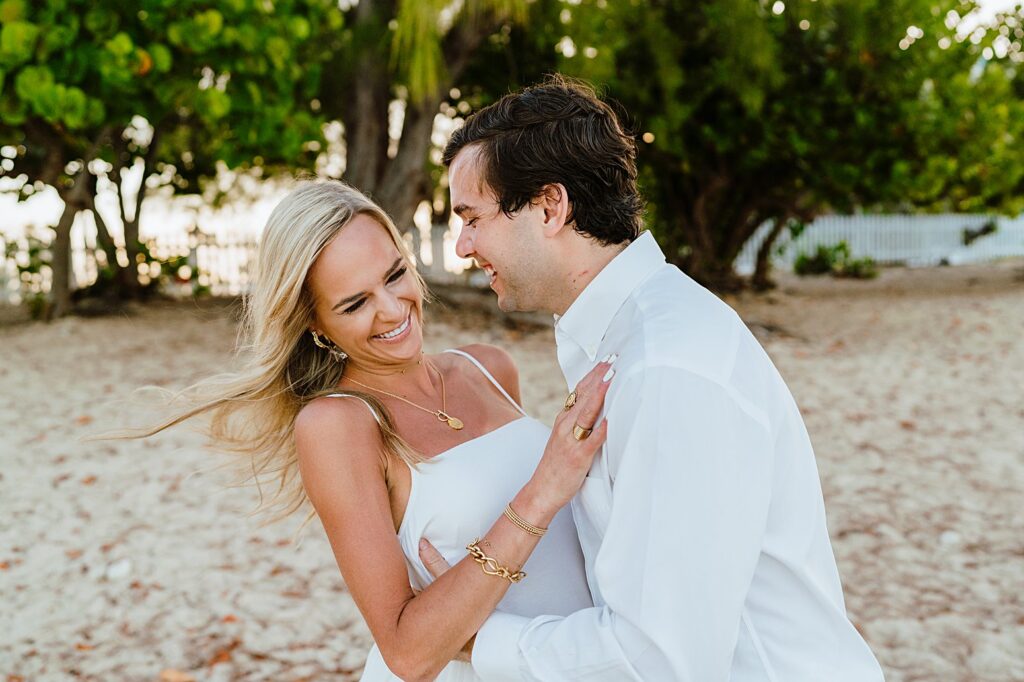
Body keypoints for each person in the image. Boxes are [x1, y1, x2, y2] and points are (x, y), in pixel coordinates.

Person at [414, 76, 885, 680]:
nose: (462, 247)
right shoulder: (626, 335)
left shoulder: (665, 366)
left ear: (550, 207)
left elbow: (662, 657)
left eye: (473, 218)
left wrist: (479, 642)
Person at [128, 179, 616, 681]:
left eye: (395, 274)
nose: (390, 309)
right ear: (316, 325)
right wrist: (540, 494)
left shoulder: (489, 367)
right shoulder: (337, 424)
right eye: (354, 304)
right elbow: (407, 653)